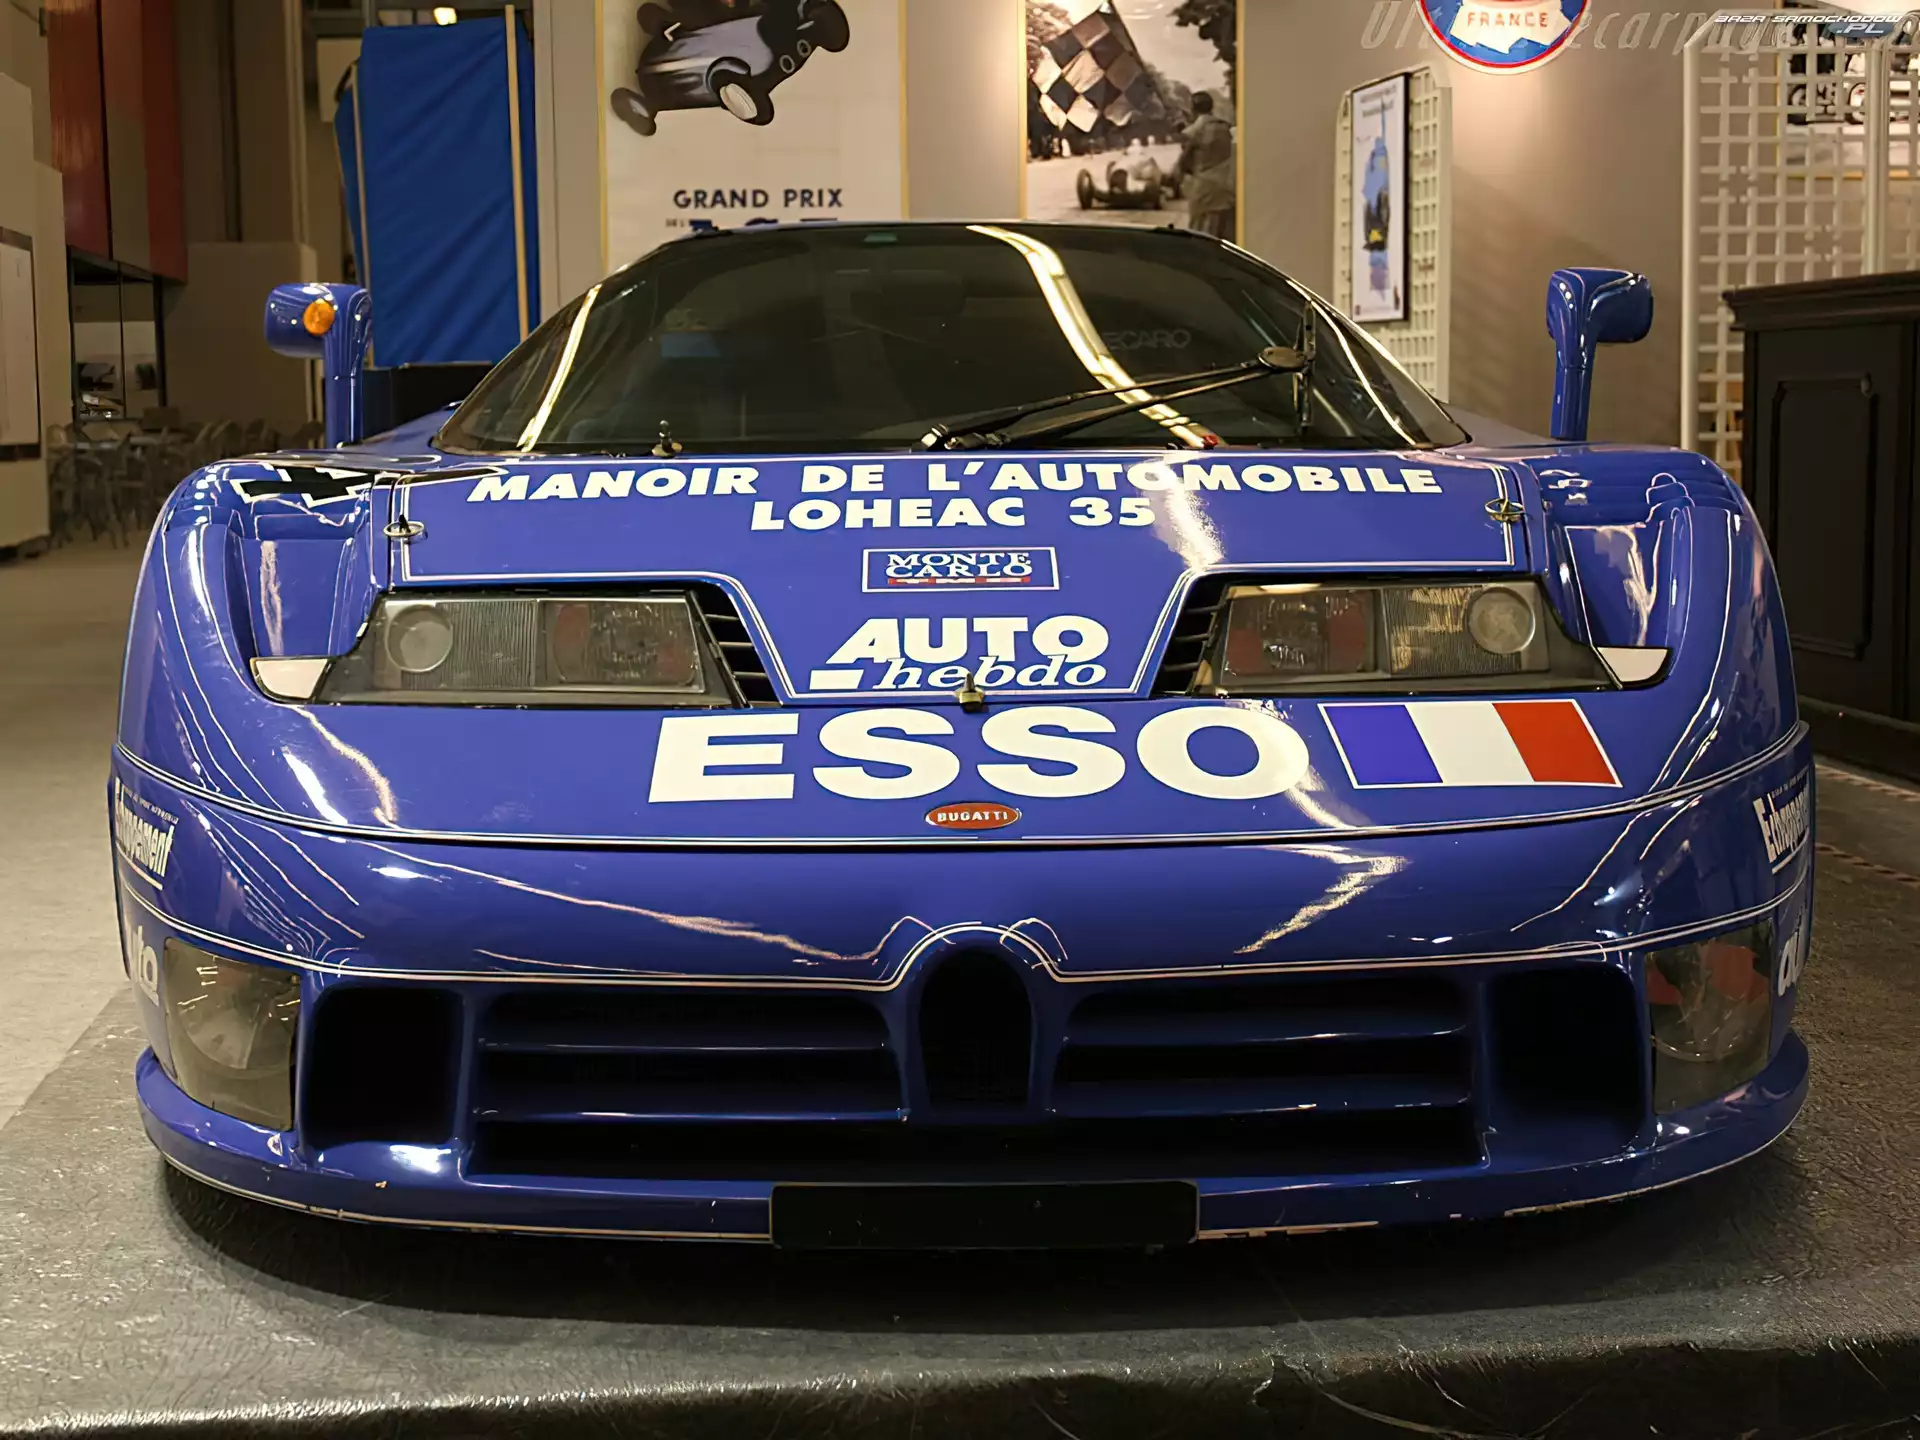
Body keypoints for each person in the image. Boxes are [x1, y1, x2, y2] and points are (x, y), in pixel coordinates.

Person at [1180, 91, 1237, 240]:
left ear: (1193, 109)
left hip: (1203, 191)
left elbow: (1184, 163)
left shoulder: (1192, 132)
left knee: (1199, 235)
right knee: (1225, 237)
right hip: (1227, 190)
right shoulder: (1226, 128)